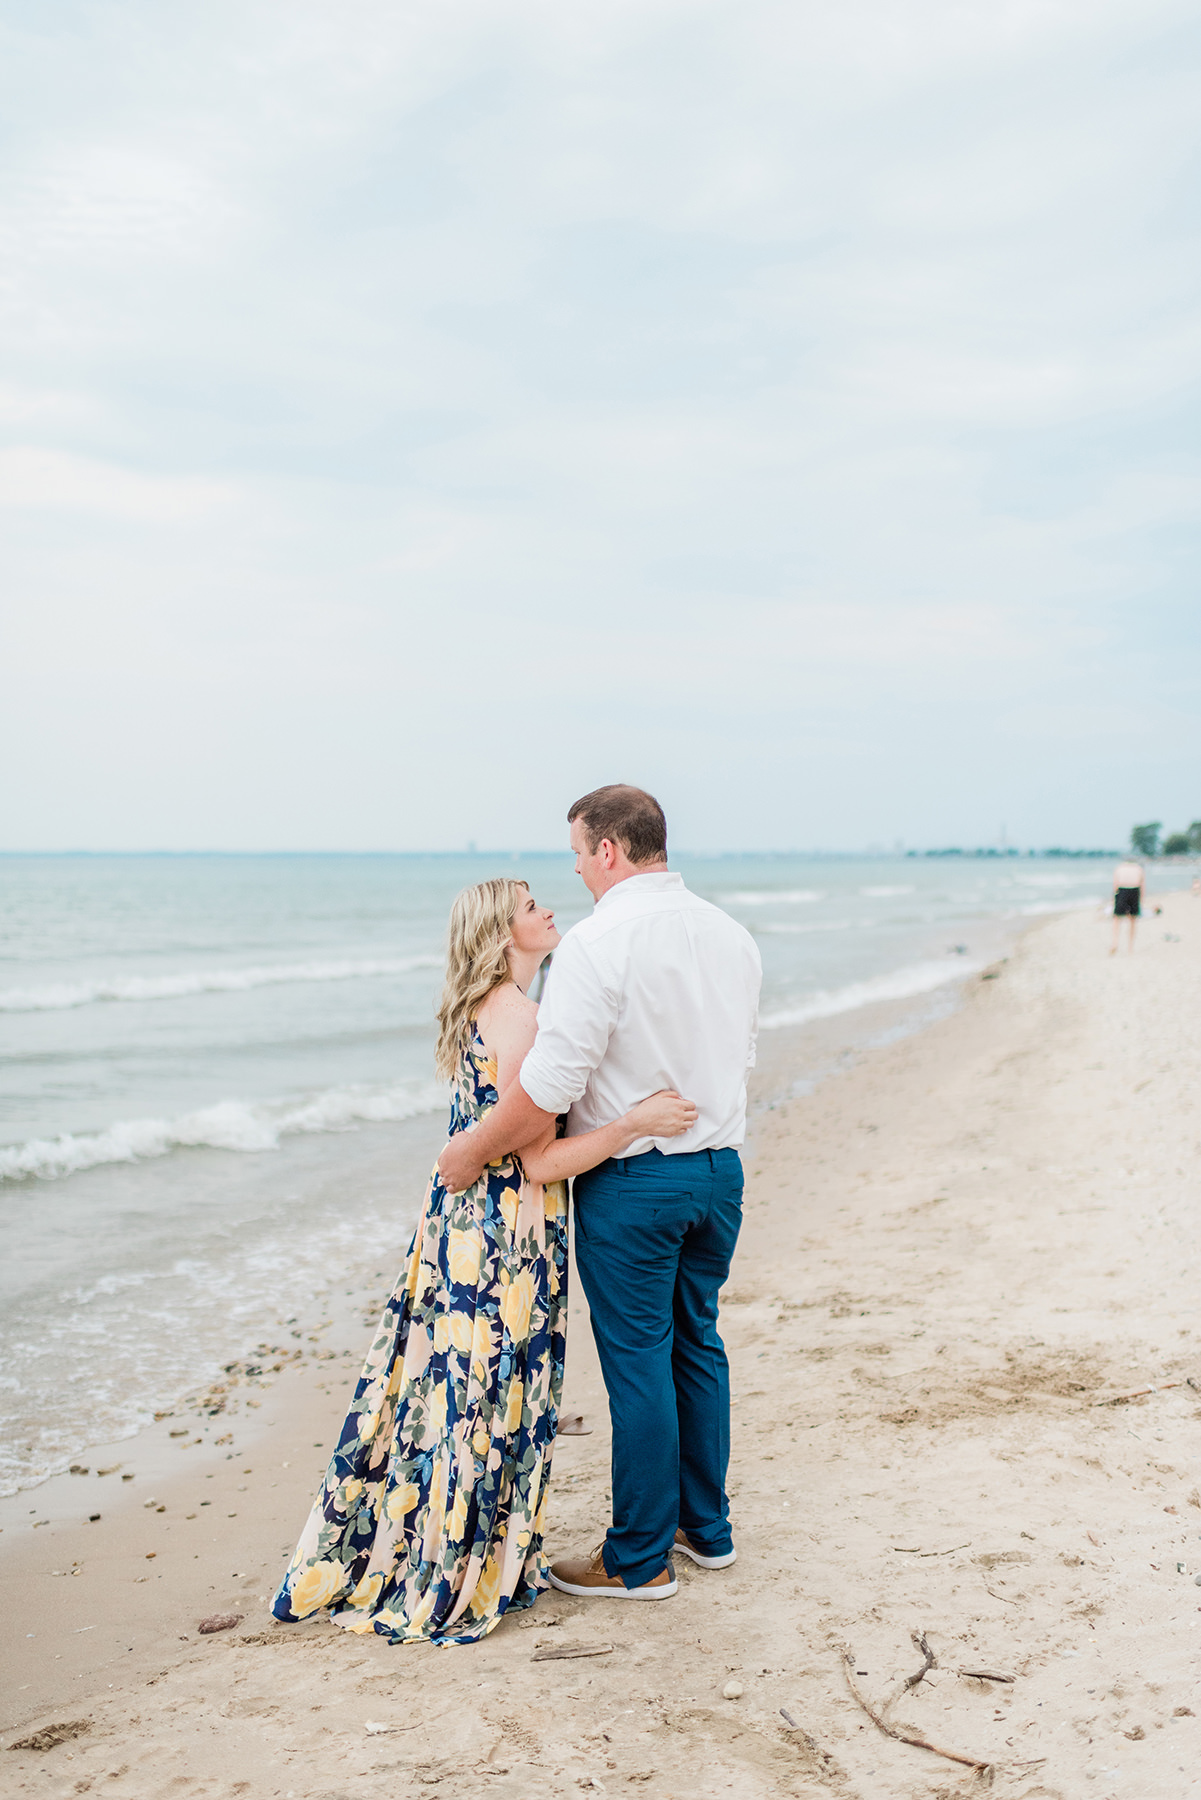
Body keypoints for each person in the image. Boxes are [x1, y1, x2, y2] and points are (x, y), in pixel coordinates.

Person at [271, 877, 695, 1645]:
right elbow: (538, 1162)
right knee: (489, 1397)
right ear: (504, 934)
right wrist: (635, 1122)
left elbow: (484, 1141)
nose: (549, 912)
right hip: (507, 1235)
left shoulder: (481, 1010)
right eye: (532, 907)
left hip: (459, 1227)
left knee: (444, 1387)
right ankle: (464, 1569)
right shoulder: (523, 1018)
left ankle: (434, 1550)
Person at [438, 786, 762, 1602]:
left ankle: (639, 1558)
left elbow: (548, 1083)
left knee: (639, 1365)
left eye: (579, 854)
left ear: (608, 851)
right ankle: (705, 1529)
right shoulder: (730, 935)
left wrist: (472, 1147)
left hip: (637, 1183)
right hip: (719, 1171)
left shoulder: (598, 943)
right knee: (698, 1344)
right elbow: (736, 1055)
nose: (577, 870)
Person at [1110, 856, 1145, 955]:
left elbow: (1115, 885)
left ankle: (1115, 942)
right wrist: (1142, 899)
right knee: (1133, 920)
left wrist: (1113, 898)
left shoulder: (1119, 868)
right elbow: (1142, 885)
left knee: (1117, 918)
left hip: (1122, 890)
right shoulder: (1138, 868)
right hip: (1134, 890)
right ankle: (1130, 947)